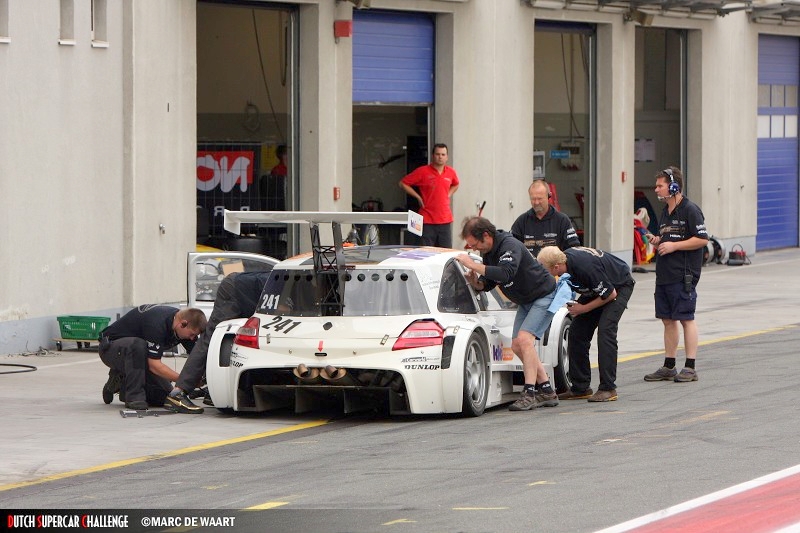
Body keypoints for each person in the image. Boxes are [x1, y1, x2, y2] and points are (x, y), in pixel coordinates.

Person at [455, 216, 560, 411]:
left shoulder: (509, 245)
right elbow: (492, 281)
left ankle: (529, 393)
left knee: (525, 341)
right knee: (517, 346)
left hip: (543, 295)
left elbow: (506, 273)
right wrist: (477, 283)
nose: (475, 249)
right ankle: (547, 390)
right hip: (526, 300)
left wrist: (472, 264)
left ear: (486, 235)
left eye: (475, 244)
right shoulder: (489, 251)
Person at [164, 270, 273, 414]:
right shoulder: (297, 278)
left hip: (242, 289)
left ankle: (212, 389)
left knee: (240, 339)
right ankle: (178, 392)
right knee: (211, 337)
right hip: (235, 290)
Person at [536, 246, 635, 402]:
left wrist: (583, 308)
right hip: (596, 289)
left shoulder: (584, 267)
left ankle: (608, 388)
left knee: (606, 331)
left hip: (618, 286)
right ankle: (580, 387)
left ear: (556, 267)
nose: (543, 273)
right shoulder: (564, 262)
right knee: (577, 333)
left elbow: (610, 294)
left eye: (545, 269)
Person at [644, 166, 708, 383]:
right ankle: (669, 365)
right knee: (667, 319)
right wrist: (659, 242)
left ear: (673, 186)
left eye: (660, 185)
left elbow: (702, 239)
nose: (656, 189)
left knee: (686, 319)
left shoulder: (691, 210)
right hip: (664, 275)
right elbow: (669, 240)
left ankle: (690, 367)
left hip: (683, 276)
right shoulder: (665, 212)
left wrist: (674, 246)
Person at [99, 306, 207, 410]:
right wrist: (185, 382)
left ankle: (123, 385)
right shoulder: (156, 323)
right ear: (183, 324)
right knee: (137, 345)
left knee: (166, 397)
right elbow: (154, 365)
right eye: (192, 334)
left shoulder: (181, 324)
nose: (192, 338)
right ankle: (133, 396)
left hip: (137, 358)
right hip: (111, 349)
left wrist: (203, 376)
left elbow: (198, 356)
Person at [399, 143, 459, 248]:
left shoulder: (451, 172)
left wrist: (448, 194)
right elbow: (403, 183)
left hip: (445, 220)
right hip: (426, 220)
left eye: (443, 154)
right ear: (432, 156)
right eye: (437, 154)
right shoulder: (423, 171)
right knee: (426, 252)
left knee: (446, 253)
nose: (440, 157)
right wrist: (418, 197)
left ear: (447, 157)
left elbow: (456, 184)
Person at [511, 179, 580, 257]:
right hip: (529, 268)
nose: (536, 202)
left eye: (540, 199)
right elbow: (511, 247)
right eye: (533, 199)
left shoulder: (562, 220)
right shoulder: (521, 221)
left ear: (549, 196)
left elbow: (574, 249)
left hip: (555, 267)